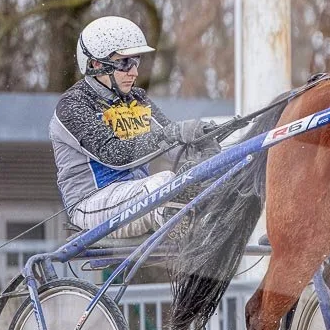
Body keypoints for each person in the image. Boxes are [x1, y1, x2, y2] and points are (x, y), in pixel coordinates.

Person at [50, 16, 220, 236]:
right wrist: (174, 133)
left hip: (138, 195)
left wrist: (202, 140)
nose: (134, 72)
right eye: (124, 63)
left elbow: (172, 144)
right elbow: (114, 154)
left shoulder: (136, 98)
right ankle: (181, 228)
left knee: (199, 176)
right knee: (166, 182)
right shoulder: (73, 105)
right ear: (95, 64)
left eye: (136, 61)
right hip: (91, 204)